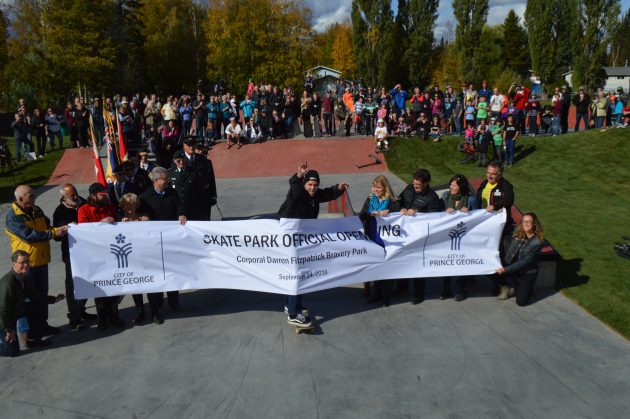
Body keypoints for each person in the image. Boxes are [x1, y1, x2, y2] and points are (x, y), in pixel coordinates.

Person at [278, 162, 349, 326]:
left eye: (315, 185)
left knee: (300, 272)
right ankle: (293, 314)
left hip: (302, 238)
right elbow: (295, 185)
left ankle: (292, 305)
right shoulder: (298, 193)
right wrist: (299, 175)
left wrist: (339, 187)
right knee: (296, 273)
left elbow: (327, 194)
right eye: (309, 184)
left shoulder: (315, 194)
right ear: (304, 184)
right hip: (290, 238)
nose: (312, 187)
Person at [5, 185, 67, 337]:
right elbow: (29, 235)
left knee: (41, 296)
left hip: (41, 261)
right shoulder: (13, 217)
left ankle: (42, 325)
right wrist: (52, 234)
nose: (35, 198)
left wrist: (60, 231)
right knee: (28, 300)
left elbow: (47, 227)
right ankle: (30, 334)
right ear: (20, 199)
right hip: (27, 266)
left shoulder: (36, 209)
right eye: (31, 196)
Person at [78, 183, 125, 331]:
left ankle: (114, 315)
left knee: (115, 286)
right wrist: (101, 224)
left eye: (106, 194)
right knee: (99, 288)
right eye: (102, 195)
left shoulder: (109, 207)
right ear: (93, 196)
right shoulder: (83, 210)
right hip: (94, 256)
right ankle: (102, 319)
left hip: (111, 253)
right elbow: (83, 232)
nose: (106, 197)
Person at [0, 251, 65, 356]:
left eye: (28, 262)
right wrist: (9, 329)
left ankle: (34, 339)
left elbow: (36, 297)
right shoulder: (8, 284)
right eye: (22, 262)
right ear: (14, 264)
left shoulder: (25, 278)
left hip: (16, 311)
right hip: (3, 319)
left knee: (36, 308)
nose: (26, 265)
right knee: (12, 352)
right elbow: (3, 310)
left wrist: (54, 299)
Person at [52, 184, 97, 330]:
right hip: (71, 254)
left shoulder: (85, 203)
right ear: (64, 197)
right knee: (73, 286)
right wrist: (65, 229)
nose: (75, 196)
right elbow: (56, 237)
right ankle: (74, 316)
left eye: (76, 193)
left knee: (90, 281)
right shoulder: (59, 212)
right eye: (71, 195)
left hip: (88, 252)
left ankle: (81, 309)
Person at [398, 169, 442, 304]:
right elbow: (399, 200)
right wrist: (401, 208)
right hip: (404, 233)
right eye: (414, 183)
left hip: (419, 236)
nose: (415, 186)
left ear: (427, 183)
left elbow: (433, 218)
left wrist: (417, 213)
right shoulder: (409, 188)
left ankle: (419, 294)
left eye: (418, 184)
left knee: (417, 264)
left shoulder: (432, 197)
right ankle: (402, 288)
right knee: (402, 261)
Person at [359, 175, 398, 307]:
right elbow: (361, 215)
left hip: (387, 240)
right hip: (372, 236)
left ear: (385, 188)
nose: (376, 190)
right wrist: (370, 214)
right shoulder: (370, 199)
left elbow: (399, 214)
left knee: (388, 267)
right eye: (374, 187)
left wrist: (389, 211)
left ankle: (386, 297)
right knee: (376, 266)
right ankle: (377, 294)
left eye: (379, 187)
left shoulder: (392, 200)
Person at [440, 174, 477, 302]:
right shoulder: (445, 196)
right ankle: (446, 288)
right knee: (446, 263)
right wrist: (445, 211)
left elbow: (478, 217)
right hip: (446, 237)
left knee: (461, 262)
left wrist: (470, 213)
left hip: (464, 237)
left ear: (461, 187)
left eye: (454, 185)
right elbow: (437, 214)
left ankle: (462, 290)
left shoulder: (470, 199)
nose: (451, 187)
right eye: (450, 184)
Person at [495, 213, 544, 306]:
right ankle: (512, 288)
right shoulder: (517, 232)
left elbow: (524, 262)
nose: (525, 224)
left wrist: (505, 269)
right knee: (492, 271)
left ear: (534, 224)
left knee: (521, 302)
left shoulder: (537, 242)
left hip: (527, 273)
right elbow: (502, 227)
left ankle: (526, 289)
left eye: (529, 222)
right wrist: (493, 212)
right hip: (513, 270)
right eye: (524, 221)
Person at [476, 161, 515, 235]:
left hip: (498, 221)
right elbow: (478, 199)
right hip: (484, 218)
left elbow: (509, 201)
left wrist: (495, 206)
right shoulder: (484, 183)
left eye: (493, 174)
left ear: (500, 175)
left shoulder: (506, 186)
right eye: (488, 172)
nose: (489, 176)